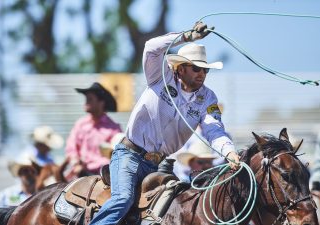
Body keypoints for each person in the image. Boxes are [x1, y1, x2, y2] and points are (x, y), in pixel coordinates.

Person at [90, 21, 240, 225]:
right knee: (122, 199)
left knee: (173, 211)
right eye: (196, 68)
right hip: (129, 154)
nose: (202, 74)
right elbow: (151, 47)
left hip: (158, 164)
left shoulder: (208, 99)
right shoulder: (160, 77)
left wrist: (229, 152)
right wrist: (187, 36)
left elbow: (214, 130)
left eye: (206, 70)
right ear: (180, 68)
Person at [65, 82, 122, 179]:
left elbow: (117, 156)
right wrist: (75, 162)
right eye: (86, 99)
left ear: (101, 103)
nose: (86, 102)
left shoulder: (114, 128)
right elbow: (71, 149)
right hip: (79, 173)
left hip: (104, 176)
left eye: (90, 99)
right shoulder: (80, 124)